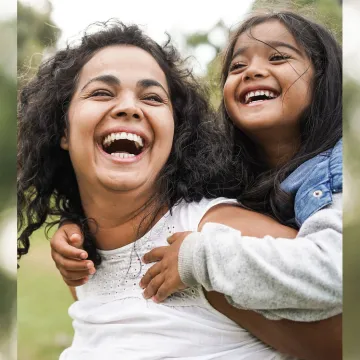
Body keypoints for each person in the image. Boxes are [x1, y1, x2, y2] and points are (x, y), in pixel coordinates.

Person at [25, 17, 341, 359]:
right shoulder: (83, 261)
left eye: (152, 97)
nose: (129, 107)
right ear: (62, 129)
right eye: (102, 92)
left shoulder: (217, 238)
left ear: (177, 132)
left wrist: (201, 262)